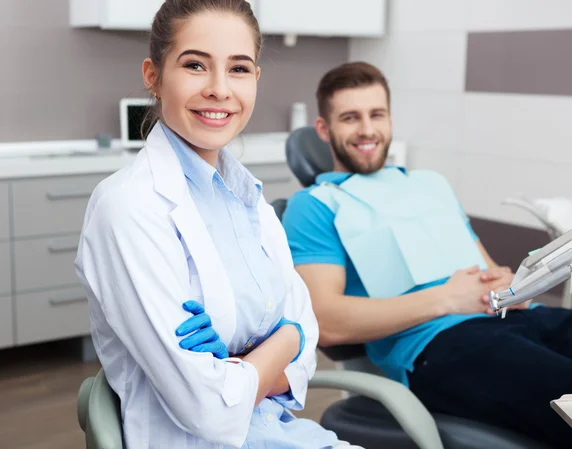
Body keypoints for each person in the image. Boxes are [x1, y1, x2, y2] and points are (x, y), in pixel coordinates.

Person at [75, 1, 363, 448]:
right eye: (195, 65)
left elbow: (307, 352)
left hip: (287, 436)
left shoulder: (249, 201)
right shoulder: (128, 207)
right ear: (153, 75)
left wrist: (248, 366)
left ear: (255, 80)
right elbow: (209, 411)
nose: (219, 89)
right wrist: (287, 339)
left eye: (239, 69)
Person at [282, 61, 572, 449]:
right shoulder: (313, 205)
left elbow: (484, 269)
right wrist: (447, 298)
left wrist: (511, 285)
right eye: (350, 117)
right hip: (439, 347)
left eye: (376, 114)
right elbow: (326, 322)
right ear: (324, 129)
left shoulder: (429, 184)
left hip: (517, 319)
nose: (367, 129)